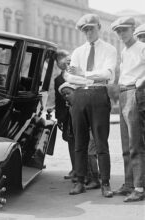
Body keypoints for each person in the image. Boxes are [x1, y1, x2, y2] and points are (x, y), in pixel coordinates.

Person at [64, 14, 117, 197]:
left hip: (99, 94)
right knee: (80, 141)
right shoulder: (78, 51)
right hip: (79, 95)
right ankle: (80, 181)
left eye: (91, 29)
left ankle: (105, 183)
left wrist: (83, 73)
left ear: (99, 27)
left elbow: (108, 75)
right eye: (85, 30)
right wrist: (87, 74)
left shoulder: (109, 49)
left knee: (101, 142)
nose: (88, 33)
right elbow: (70, 77)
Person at [111, 16, 145, 202]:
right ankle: (129, 184)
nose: (121, 34)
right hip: (124, 93)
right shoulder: (124, 51)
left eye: (124, 29)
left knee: (135, 143)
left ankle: (139, 188)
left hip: (135, 92)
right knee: (125, 144)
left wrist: (142, 82)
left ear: (133, 29)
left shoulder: (142, 47)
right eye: (118, 31)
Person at [54, 50, 76, 180]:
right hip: (66, 116)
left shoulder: (76, 76)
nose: (61, 62)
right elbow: (58, 100)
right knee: (70, 141)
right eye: (58, 60)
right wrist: (59, 118)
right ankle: (74, 168)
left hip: (78, 112)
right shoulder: (57, 79)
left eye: (64, 59)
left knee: (82, 141)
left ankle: (86, 171)